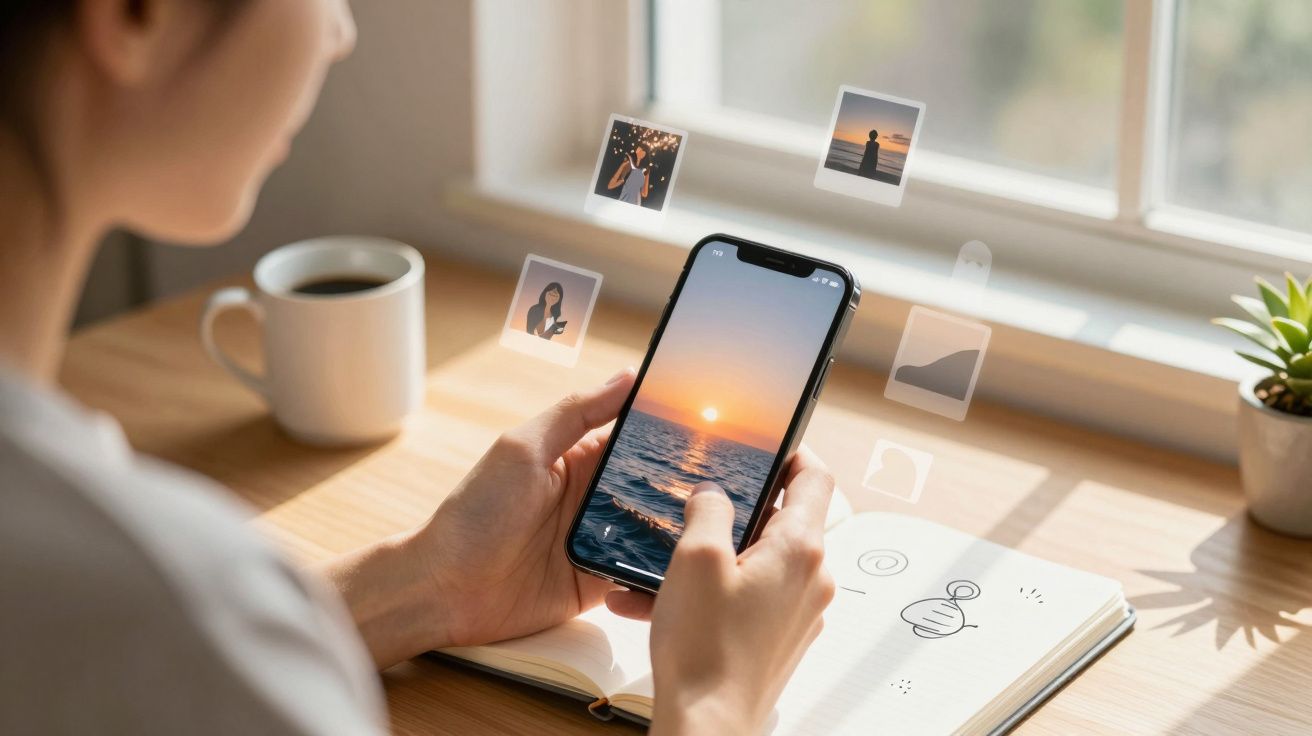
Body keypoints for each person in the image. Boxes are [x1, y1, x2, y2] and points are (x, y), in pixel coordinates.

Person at [0, 2, 836, 735]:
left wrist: (429, 583)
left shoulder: (118, 594)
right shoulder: (153, 589)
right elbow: (172, 640)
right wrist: (721, 701)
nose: (340, 32)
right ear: (136, 12)